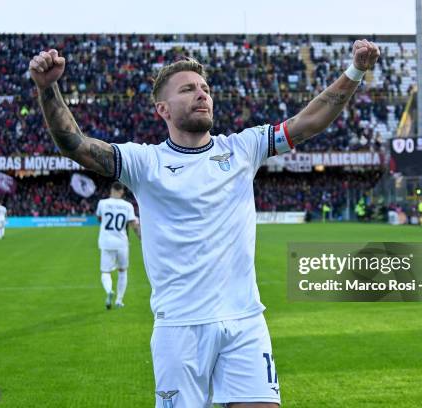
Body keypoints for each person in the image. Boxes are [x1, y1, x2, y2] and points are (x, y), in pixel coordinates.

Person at [30, 40, 379, 407]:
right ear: (162, 109)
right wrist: (47, 87)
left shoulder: (245, 147)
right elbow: (76, 145)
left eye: (205, 89)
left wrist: (355, 70)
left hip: (245, 321)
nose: (202, 95)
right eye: (188, 89)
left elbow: (308, 122)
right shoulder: (144, 162)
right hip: (180, 329)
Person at [95, 182, 140, 309]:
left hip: (106, 242)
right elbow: (133, 224)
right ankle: (119, 300)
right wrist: (141, 238)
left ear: (111, 190)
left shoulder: (102, 203)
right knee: (122, 271)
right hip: (122, 242)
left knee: (105, 271)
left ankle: (109, 290)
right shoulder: (127, 206)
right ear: (122, 192)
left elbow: (99, 218)